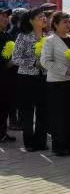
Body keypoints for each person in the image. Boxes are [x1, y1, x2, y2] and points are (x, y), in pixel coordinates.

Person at [12, 6, 50, 152]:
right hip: (27, 78)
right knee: (27, 111)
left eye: (44, 16)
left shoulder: (48, 36)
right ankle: (29, 142)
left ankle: (41, 142)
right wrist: (34, 62)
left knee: (43, 111)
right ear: (31, 21)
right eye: (40, 17)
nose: (44, 19)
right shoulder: (23, 36)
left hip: (44, 77)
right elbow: (16, 58)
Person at [41, 12, 70, 156]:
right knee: (58, 116)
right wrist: (65, 70)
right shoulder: (49, 40)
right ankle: (59, 146)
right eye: (64, 22)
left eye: (69, 22)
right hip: (57, 83)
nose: (68, 24)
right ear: (55, 24)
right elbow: (45, 61)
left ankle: (68, 144)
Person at [0, 8, 16, 143]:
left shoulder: (6, 35)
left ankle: (2, 132)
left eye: (7, 16)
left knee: (5, 106)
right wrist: (7, 63)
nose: (6, 19)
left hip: (7, 78)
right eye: (3, 16)